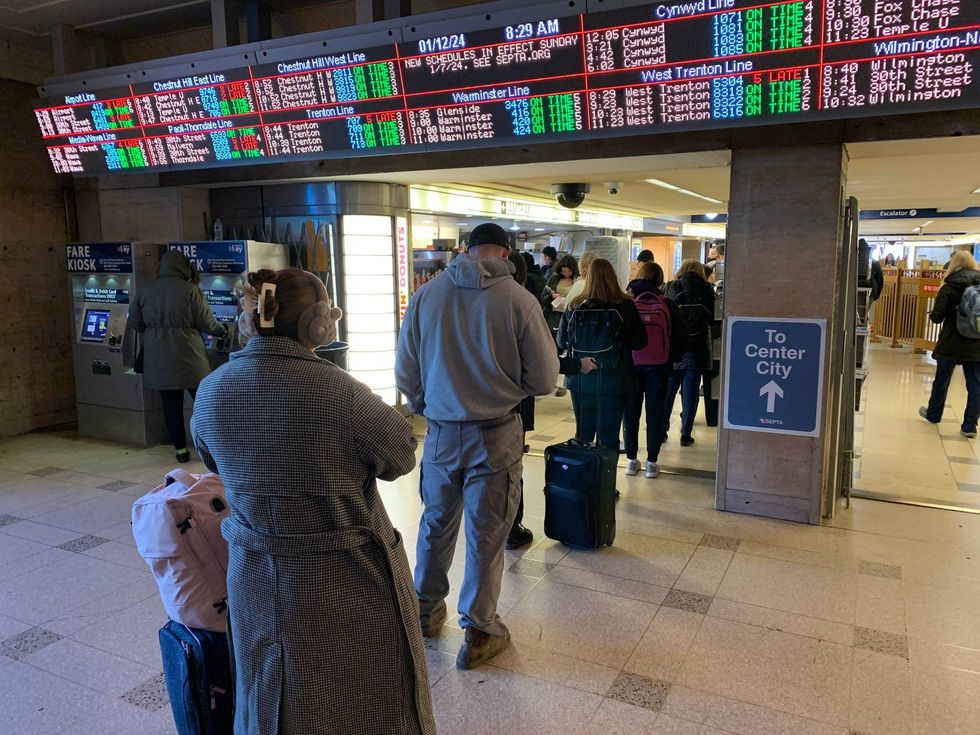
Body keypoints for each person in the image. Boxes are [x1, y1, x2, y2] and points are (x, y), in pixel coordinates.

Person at [190, 268, 435, 735]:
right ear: (319, 323)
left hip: (254, 571)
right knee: (361, 691)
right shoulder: (341, 392)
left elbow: (212, 459)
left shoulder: (212, 389)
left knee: (268, 686)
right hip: (344, 575)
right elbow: (401, 454)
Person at [396, 223, 559, 670]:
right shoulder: (520, 301)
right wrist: (507, 385)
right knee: (487, 533)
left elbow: (405, 368)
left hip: (441, 432)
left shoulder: (427, 295)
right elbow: (545, 379)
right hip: (496, 433)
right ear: (506, 253)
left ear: (466, 250)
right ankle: (480, 629)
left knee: (435, 523)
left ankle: (425, 610)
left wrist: (427, 404)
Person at [127, 249, 226, 462]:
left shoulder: (146, 290)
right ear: (184, 268)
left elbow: (134, 322)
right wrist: (223, 330)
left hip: (158, 358)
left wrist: (155, 331)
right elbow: (207, 323)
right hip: (189, 356)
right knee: (203, 403)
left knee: (171, 406)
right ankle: (212, 448)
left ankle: (180, 450)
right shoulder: (190, 290)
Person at [558, 258, 647, 452]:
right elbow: (640, 342)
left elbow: (561, 341)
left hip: (581, 379)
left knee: (583, 434)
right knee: (609, 436)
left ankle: (584, 470)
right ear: (613, 277)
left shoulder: (574, 305)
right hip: (614, 379)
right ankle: (606, 471)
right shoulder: (625, 305)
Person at [621, 262, 686, 477]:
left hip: (631, 366)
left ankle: (631, 460)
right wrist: (671, 360)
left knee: (631, 413)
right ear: (659, 280)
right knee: (655, 413)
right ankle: (651, 463)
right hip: (659, 367)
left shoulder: (628, 302)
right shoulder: (667, 303)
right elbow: (679, 336)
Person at [919, 251, 980, 438]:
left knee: (942, 380)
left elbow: (937, 318)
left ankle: (934, 414)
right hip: (976, 343)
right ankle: (970, 425)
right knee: (975, 384)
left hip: (951, 342)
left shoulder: (949, 286)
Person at [664, 260, 716, 446]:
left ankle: (662, 430)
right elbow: (712, 318)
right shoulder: (707, 289)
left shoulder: (672, 286)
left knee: (669, 391)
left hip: (675, 345)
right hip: (698, 345)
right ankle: (686, 434)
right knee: (691, 392)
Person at [547, 255, 579, 396]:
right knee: (555, 347)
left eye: (568, 271)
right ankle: (555, 381)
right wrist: (552, 296)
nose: (566, 274)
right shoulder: (554, 278)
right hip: (555, 315)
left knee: (568, 347)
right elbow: (545, 294)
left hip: (570, 315)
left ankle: (564, 382)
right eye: (564, 271)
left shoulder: (578, 280)